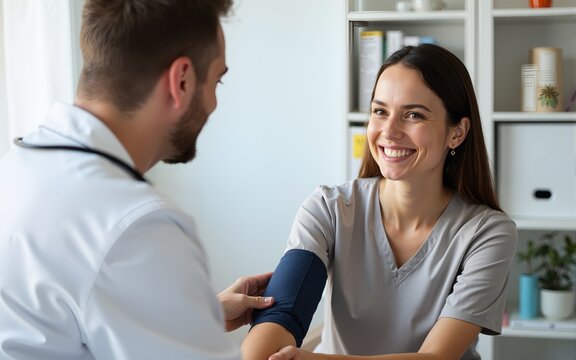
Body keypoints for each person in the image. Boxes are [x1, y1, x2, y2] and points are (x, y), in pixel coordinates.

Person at [0, 0, 275, 359]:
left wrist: (193, 315)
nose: (214, 103)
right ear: (182, 80)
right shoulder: (135, 224)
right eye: (217, 81)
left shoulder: (18, 166)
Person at [241, 44, 518, 360]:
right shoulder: (328, 210)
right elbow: (275, 326)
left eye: (413, 115)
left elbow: (438, 357)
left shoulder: (487, 233)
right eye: (380, 111)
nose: (389, 131)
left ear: (457, 132)